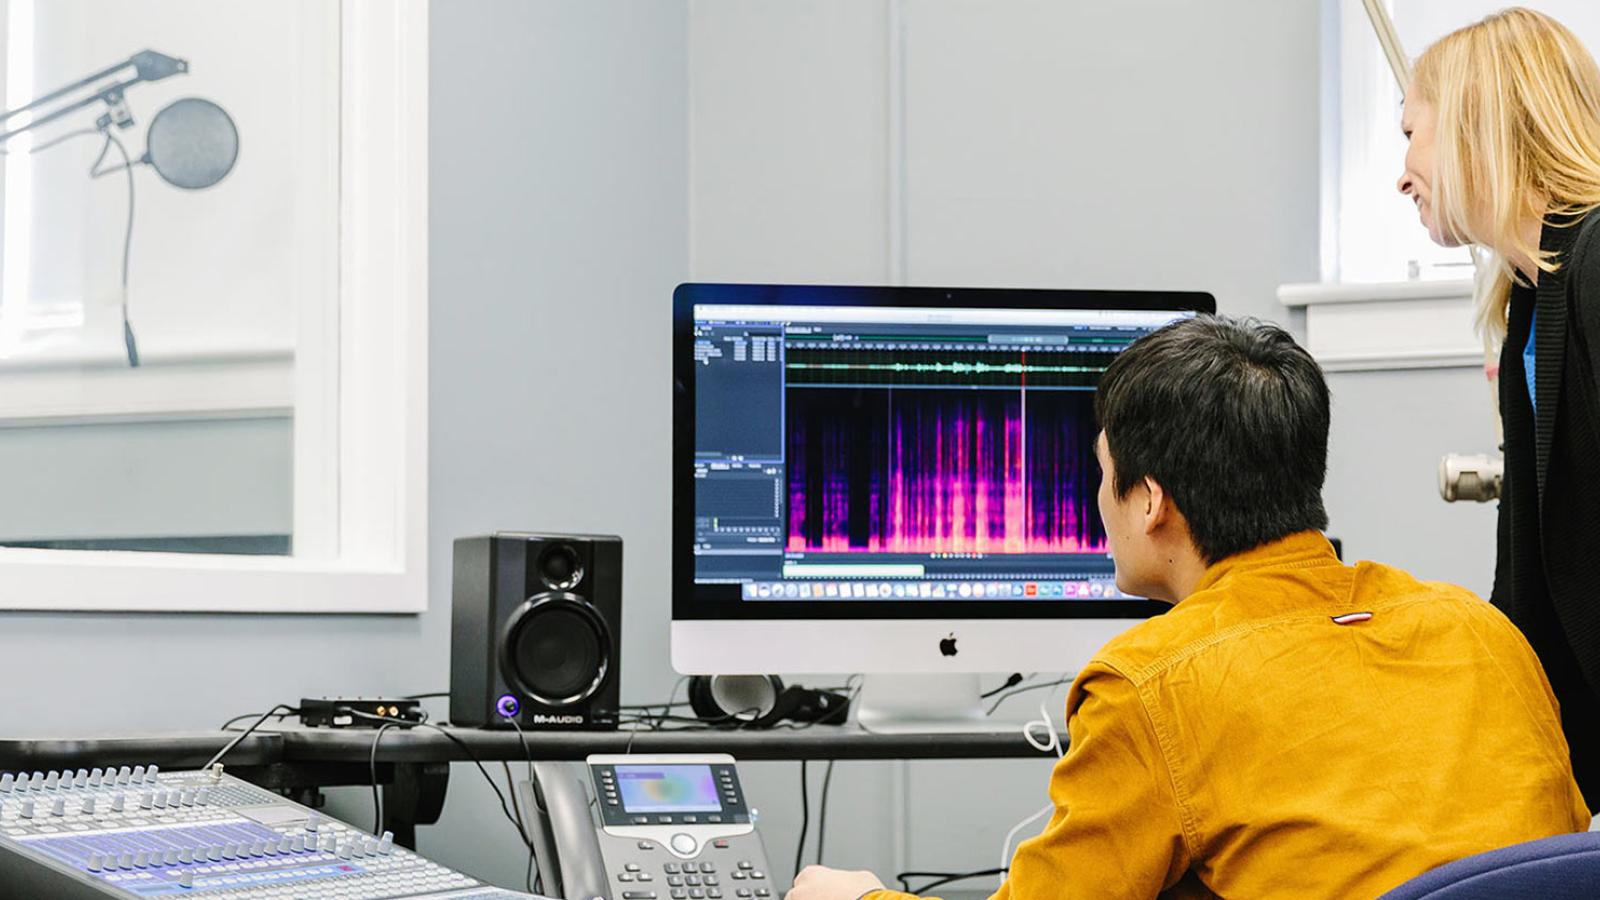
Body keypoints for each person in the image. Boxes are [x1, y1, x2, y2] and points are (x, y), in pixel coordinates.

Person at [785, 316, 1587, 900]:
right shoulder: (1478, 630)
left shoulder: (1150, 685)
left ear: (1151, 505)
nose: (1096, 500)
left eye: (1102, 475)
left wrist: (854, 897)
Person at [1396, 7, 1600, 809]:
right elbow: (1528, 589)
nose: (1402, 173)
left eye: (1411, 135)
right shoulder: (1529, 306)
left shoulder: (1595, 267)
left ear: (1477, 126)